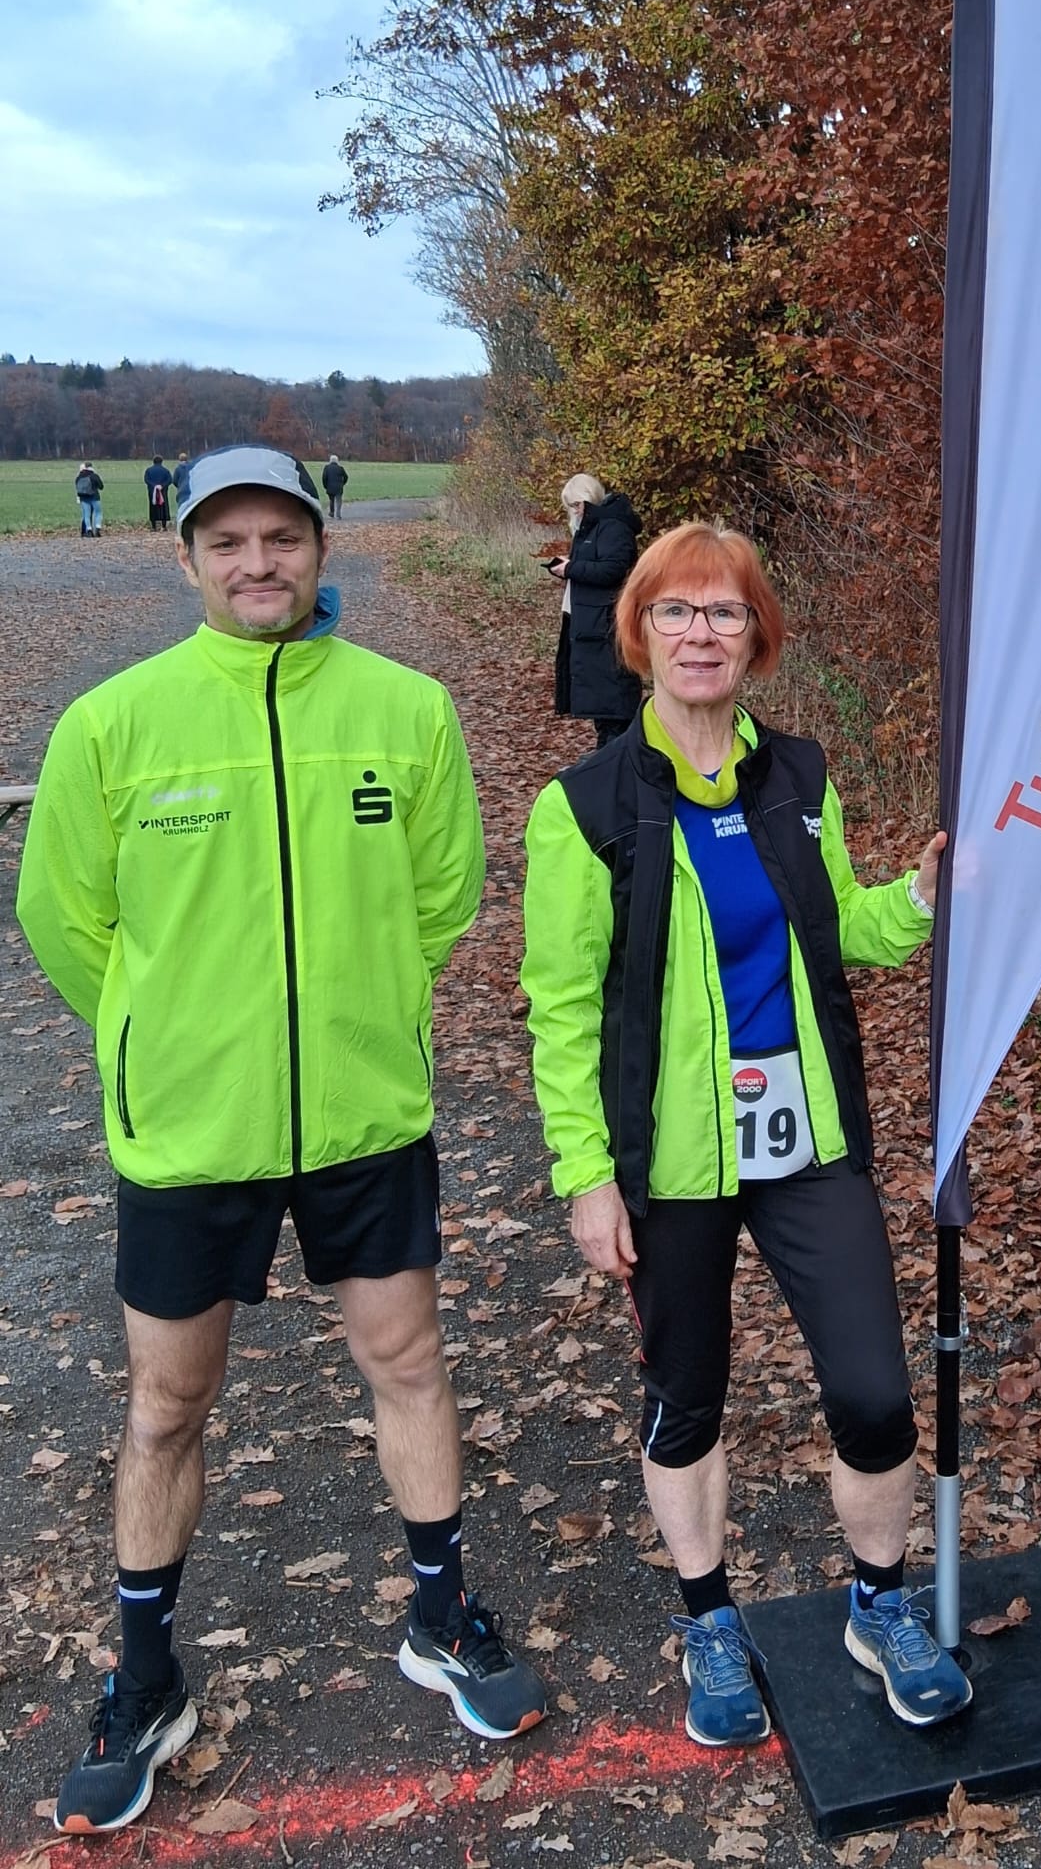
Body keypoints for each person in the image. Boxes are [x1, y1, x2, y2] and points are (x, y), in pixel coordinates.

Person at [17, 444, 546, 1837]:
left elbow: (444, 896)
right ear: (186, 555)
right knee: (165, 1403)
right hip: (190, 1134)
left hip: (365, 1117)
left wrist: (361, 1013)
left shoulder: (406, 709)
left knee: (408, 1361)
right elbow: (63, 919)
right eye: (229, 541)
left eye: (281, 538)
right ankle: (145, 1681)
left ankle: (440, 1616)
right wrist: (163, 1032)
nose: (258, 563)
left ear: (321, 546)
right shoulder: (113, 724)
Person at [521, 522, 971, 1747]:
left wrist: (920, 897)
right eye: (676, 611)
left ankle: (878, 1604)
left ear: (757, 634)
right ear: (639, 632)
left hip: (807, 1141)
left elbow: (841, 927)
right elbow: (561, 1008)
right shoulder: (585, 807)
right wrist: (585, 1175)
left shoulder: (798, 777)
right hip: (670, 1162)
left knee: (876, 1393)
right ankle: (709, 1617)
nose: (701, 632)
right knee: (688, 1400)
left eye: (724, 611)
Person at [548, 472, 642, 746]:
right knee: (603, 707)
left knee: (613, 706)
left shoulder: (613, 527)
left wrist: (570, 568)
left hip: (605, 626)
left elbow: (614, 569)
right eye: (571, 506)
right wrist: (570, 566)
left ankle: (613, 758)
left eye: (576, 505)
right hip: (591, 625)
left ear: (588, 499)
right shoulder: (594, 528)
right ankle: (608, 755)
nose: (574, 511)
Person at [143, 456, 174, 531]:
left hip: (152, 492)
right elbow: (170, 480)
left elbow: (146, 480)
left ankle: (154, 526)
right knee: (163, 508)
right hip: (163, 492)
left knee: (153, 508)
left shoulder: (149, 470)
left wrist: (154, 486)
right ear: (162, 461)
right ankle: (164, 526)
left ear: (153, 461)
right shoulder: (166, 471)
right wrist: (162, 486)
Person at [74, 461, 104, 538]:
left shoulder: (79, 477)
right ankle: (97, 528)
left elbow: (77, 488)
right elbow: (101, 487)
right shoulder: (94, 476)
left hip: (84, 498)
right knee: (98, 513)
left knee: (86, 515)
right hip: (95, 497)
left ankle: (89, 530)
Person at [322, 452, 349, 520]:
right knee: (339, 501)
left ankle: (332, 513)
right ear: (337, 461)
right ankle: (338, 514)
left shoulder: (327, 468)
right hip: (339, 487)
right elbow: (346, 477)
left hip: (330, 487)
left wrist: (325, 486)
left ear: (330, 460)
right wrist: (343, 483)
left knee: (331, 500)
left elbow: (324, 477)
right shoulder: (340, 468)